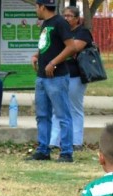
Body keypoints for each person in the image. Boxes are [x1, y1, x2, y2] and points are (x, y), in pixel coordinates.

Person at [27, 0, 76, 163]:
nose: (36, 9)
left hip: (57, 77)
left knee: (63, 115)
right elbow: (49, 45)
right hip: (41, 77)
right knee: (42, 115)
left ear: (42, 7)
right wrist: (37, 55)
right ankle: (43, 150)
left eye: (36, 6)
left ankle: (67, 152)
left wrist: (53, 63)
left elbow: (71, 47)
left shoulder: (60, 22)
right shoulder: (46, 23)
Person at [49, 6, 93, 151]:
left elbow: (74, 48)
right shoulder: (63, 32)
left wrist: (62, 52)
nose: (66, 18)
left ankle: (76, 142)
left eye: (70, 16)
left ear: (77, 19)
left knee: (74, 108)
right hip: (60, 74)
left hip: (76, 75)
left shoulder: (83, 32)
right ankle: (54, 141)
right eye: (64, 15)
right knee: (58, 108)